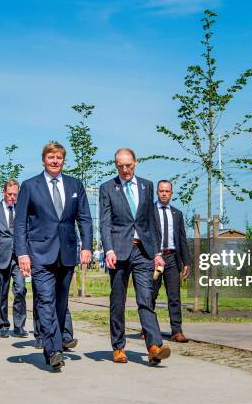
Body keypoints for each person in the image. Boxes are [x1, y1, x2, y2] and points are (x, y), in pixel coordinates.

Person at [14, 142, 92, 370]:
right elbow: (20, 224)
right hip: (39, 253)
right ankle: (54, 350)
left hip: (67, 253)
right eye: (51, 157)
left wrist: (86, 246)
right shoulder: (30, 186)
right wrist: (22, 253)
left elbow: (84, 218)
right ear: (43, 160)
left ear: (63, 160)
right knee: (45, 300)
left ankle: (54, 344)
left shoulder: (75, 184)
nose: (55, 161)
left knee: (60, 303)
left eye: (59, 157)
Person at [99, 148, 170, 365]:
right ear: (116, 165)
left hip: (143, 251)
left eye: (128, 165)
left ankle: (154, 346)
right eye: (120, 166)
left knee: (146, 299)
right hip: (119, 251)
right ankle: (118, 347)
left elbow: (151, 221)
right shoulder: (107, 188)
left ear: (135, 163)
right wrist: (108, 249)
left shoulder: (147, 186)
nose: (125, 169)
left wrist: (157, 252)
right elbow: (105, 222)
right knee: (118, 301)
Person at [151, 180, 192, 343]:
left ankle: (177, 331)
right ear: (157, 192)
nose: (164, 194)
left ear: (171, 193)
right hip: (154, 259)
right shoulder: (149, 211)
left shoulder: (177, 214)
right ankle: (148, 330)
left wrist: (186, 262)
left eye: (167, 191)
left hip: (172, 258)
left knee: (174, 296)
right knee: (151, 294)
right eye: (161, 191)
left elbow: (182, 238)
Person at [0, 179, 27, 338]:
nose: (12, 197)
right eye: (10, 194)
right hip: (0, 257)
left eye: (15, 195)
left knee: (20, 290)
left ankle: (19, 325)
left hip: (18, 257)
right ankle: (4, 324)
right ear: (4, 192)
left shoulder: (22, 210)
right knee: (2, 294)